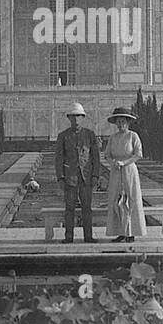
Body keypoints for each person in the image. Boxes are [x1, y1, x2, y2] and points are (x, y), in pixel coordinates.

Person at [54, 102, 101, 244]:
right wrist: (60, 177)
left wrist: (95, 175)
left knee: (87, 208)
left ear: (83, 117)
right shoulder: (63, 136)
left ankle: (88, 236)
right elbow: (59, 158)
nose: (75, 120)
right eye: (73, 117)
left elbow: (95, 157)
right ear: (69, 118)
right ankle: (69, 237)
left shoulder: (89, 134)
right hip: (70, 177)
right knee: (69, 208)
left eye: (78, 116)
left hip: (86, 177)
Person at [104, 107, 146, 243]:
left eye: (123, 122)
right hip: (116, 172)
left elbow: (138, 154)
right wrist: (113, 163)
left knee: (130, 200)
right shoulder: (113, 138)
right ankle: (121, 232)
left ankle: (131, 232)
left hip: (129, 171)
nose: (120, 124)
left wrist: (124, 162)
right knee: (117, 201)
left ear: (128, 123)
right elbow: (107, 155)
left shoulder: (133, 136)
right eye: (118, 122)